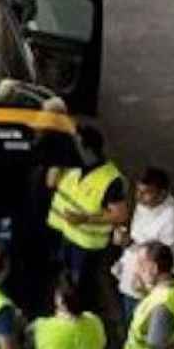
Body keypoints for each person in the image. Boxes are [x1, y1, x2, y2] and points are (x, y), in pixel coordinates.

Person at [46, 125, 128, 314]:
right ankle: (66, 307)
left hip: (87, 246)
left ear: (88, 149)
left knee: (81, 287)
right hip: (65, 235)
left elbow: (120, 215)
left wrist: (86, 219)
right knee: (65, 280)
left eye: (75, 146)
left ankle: (80, 315)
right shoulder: (72, 166)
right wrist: (58, 160)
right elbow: (50, 182)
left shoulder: (111, 179)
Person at [112, 167, 174, 332]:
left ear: (162, 194)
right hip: (132, 276)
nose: (139, 197)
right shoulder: (146, 203)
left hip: (145, 287)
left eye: (146, 193)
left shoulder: (172, 221)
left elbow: (165, 262)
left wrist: (129, 244)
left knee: (139, 328)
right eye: (137, 191)